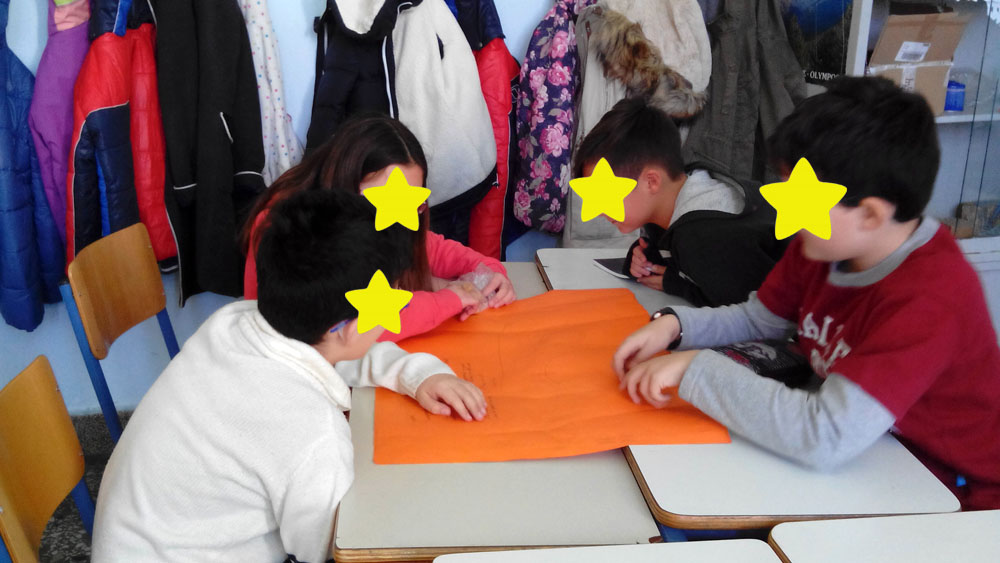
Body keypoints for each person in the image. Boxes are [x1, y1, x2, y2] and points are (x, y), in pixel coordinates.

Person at [612, 77, 1000, 510]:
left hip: (958, 494)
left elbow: (825, 435)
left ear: (871, 215)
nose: (788, 214)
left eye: (803, 201)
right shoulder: (825, 244)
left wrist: (694, 370)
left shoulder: (931, 296)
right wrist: (674, 325)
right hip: (875, 457)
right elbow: (759, 319)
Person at [93, 189, 488, 562]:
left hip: (137, 541)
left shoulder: (234, 322)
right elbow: (331, 548)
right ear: (350, 326)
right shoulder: (312, 435)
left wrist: (418, 374)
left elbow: (334, 351)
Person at [242, 114, 515, 342]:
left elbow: (431, 248)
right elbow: (362, 321)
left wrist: (489, 273)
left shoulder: (386, 217)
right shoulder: (292, 229)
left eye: (408, 203)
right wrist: (450, 299)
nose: (395, 216)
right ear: (346, 184)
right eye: (385, 202)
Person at [573, 97, 788, 306]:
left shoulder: (701, 234)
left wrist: (676, 285)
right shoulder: (685, 190)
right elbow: (680, 255)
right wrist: (646, 257)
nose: (600, 209)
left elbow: (741, 306)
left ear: (651, 182)